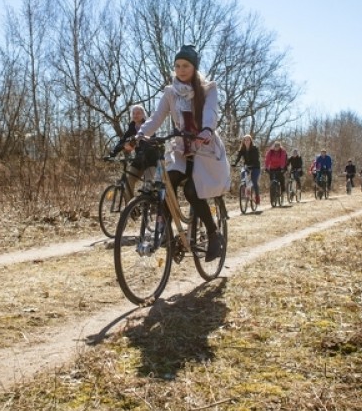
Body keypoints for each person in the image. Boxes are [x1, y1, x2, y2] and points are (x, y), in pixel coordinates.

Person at [136, 45, 230, 262]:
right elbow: (156, 117)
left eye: (185, 65)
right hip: (180, 148)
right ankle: (167, 232)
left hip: (203, 147)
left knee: (191, 190)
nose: (181, 69)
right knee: (169, 181)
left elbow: (210, 112)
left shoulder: (208, 89)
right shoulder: (170, 92)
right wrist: (139, 135)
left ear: (194, 67)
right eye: (177, 65)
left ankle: (213, 233)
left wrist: (206, 130)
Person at [110, 104, 157, 203]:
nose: (135, 115)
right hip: (139, 159)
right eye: (134, 113)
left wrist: (142, 149)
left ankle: (150, 207)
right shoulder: (131, 128)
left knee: (148, 186)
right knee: (129, 181)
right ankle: (132, 210)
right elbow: (122, 142)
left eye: (138, 113)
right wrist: (113, 153)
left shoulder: (149, 126)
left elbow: (152, 141)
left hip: (150, 159)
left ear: (143, 115)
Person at [233, 134, 261, 205]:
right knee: (243, 175)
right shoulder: (242, 149)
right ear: (243, 141)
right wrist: (235, 163)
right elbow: (238, 157)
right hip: (247, 166)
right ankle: (246, 190)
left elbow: (256, 158)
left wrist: (252, 164)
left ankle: (257, 196)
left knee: (254, 181)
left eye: (248, 140)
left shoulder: (254, 148)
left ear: (250, 141)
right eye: (245, 140)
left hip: (255, 167)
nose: (246, 141)